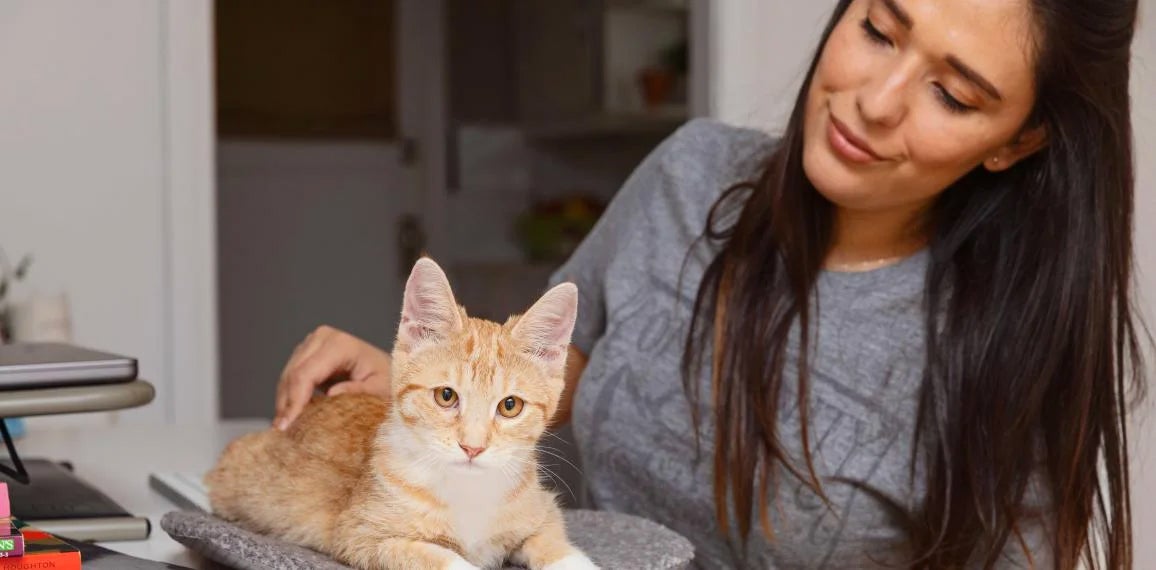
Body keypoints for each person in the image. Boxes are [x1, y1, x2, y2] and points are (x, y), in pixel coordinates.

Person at [272, 0, 1145, 567]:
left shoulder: (1004, 348)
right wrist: (420, 388)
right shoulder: (688, 177)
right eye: (878, 29)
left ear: (1016, 141)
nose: (875, 101)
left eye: (951, 94)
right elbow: (553, 378)